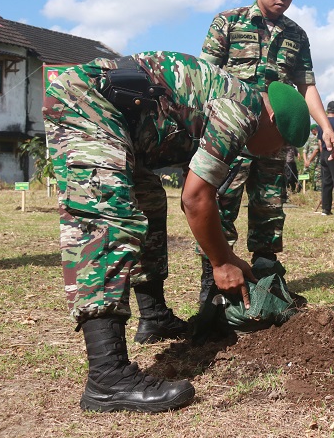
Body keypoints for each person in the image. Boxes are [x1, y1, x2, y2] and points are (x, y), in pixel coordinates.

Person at [43, 51, 311, 411]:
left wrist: (226, 256)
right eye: (280, 144)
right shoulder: (242, 109)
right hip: (88, 103)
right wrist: (221, 263)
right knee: (107, 218)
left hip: (119, 119)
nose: (274, 152)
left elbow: (204, 193)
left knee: (149, 202)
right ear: (273, 120)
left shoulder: (234, 102)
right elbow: (196, 198)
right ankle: (107, 377)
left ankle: (154, 318)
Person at [198, 0, 334, 303]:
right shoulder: (228, 22)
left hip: (274, 141)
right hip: (233, 135)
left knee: (269, 209)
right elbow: (205, 77)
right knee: (222, 205)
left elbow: (306, 86)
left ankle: (266, 283)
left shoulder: (296, 34)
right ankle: (213, 288)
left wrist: (325, 127)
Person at [302, 124, 322, 194]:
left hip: (311, 161)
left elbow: (305, 151)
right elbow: (315, 150)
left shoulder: (310, 139)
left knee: (305, 174)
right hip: (315, 161)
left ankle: (302, 188)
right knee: (318, 176)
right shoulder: (318, 138)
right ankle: (317, 190)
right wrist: (307, 161)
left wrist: (306, 161)